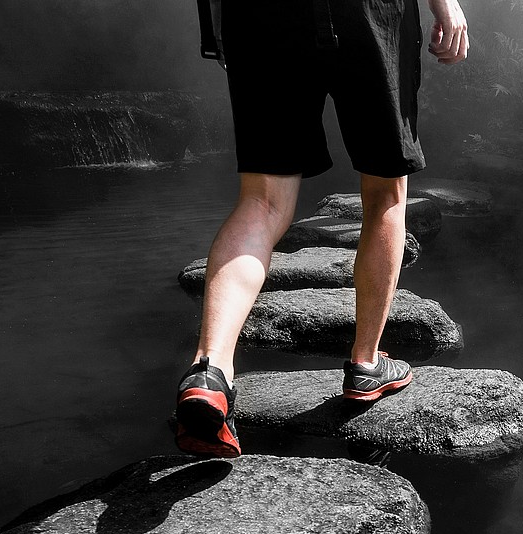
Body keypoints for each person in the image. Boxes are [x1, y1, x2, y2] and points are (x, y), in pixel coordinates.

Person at [171, 0, 469, 458]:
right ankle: (366, 364)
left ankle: (210, 371)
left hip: (260, 16)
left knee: (262, 203)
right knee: (386, 194)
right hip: (369, 12)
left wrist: (219, 25)